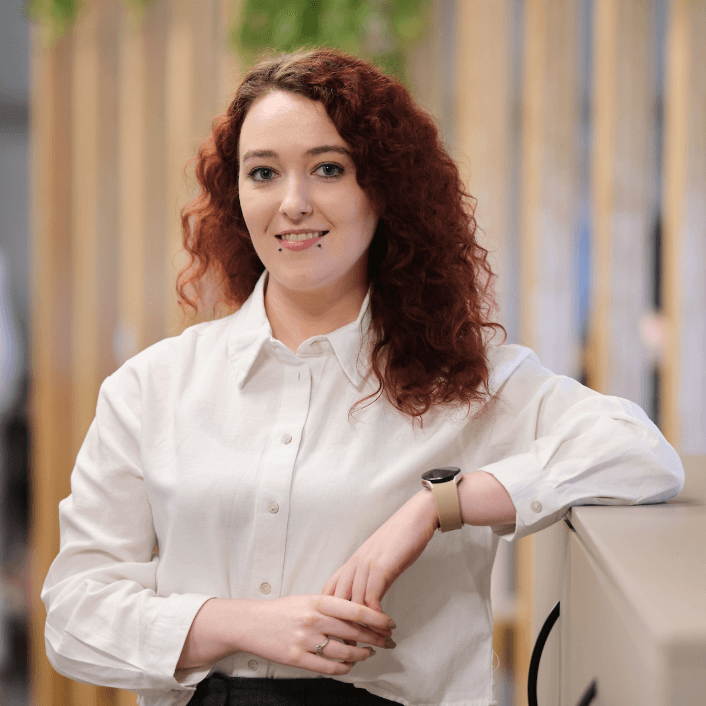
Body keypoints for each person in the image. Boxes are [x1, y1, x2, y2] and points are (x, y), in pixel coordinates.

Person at [42, 47, 684, 706]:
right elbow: (73, 613)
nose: (293, 203)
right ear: (235, 194)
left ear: (384, 190)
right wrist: (245, 625)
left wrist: (437, 507)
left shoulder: (465, 383)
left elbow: (640, 455)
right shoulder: (152, 387)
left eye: (328, 169)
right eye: (263, 173)